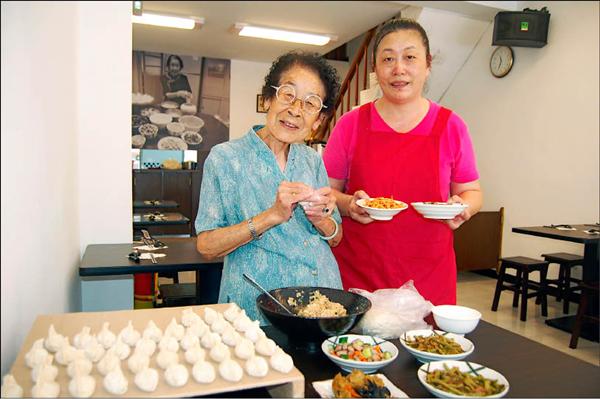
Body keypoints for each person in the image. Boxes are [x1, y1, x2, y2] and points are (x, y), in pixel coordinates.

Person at [323, 18, 483, 306]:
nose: (399, 69)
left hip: (429, 278)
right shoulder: (351, 125)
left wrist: (462, 207)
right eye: (388, 59)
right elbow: (326, 192)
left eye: (410, 57)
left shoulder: (451, 126)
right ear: (375, 69)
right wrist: (349, 205)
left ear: (427, 63)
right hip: (358, 275)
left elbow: (473, 191)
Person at [195, 51, 343, 322]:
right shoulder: (225, 158)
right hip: (256, 308)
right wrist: (270, 217)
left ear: (318, 120)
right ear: (267, 99)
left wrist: (322, 219)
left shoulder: (311, 160)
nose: (296, 110)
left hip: (321, 301)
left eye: (311, 104)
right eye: (288, 94)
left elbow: (336, 237)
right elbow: (206, 246)